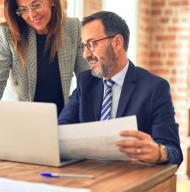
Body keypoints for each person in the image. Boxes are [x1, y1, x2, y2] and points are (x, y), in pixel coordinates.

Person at [0, 0, 90, 145]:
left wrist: (94, 123)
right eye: (23, 9)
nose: (31, 15)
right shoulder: (7, 34)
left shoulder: (73, 28)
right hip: (19, 127)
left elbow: (87, 80)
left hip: (60, 127)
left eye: (36, 5)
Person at [58, 11, 183, 166]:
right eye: (83, 46)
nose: (85, 54)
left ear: (117, 42)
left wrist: (158, 152)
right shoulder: (86, 82)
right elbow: (61, 131)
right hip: (89, 175)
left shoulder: (155, 88)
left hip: (131, 179)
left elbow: (174, 152)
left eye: (91, 44)